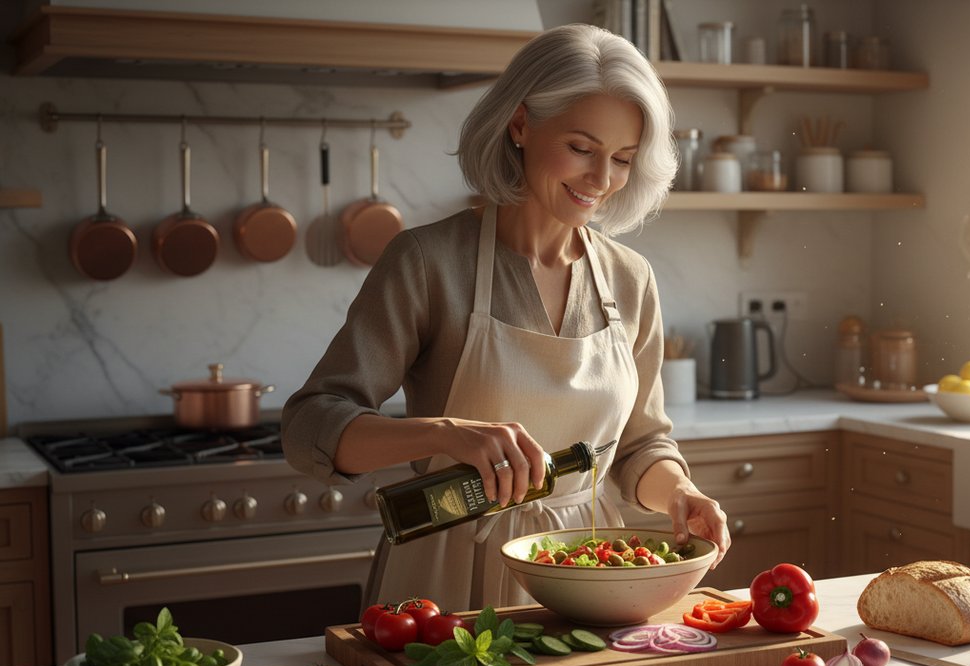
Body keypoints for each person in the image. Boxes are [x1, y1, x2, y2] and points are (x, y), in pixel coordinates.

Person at [282, 23, 731, 612]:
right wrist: (446, 434)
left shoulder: (630, 278)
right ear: (520, 125)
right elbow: (310, 426)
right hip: (447, 576)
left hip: (587, 572)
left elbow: (639, 446)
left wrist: (680, 492)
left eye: (622, 159)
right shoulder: (427, 262)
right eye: (582, 148)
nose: (602, 180)